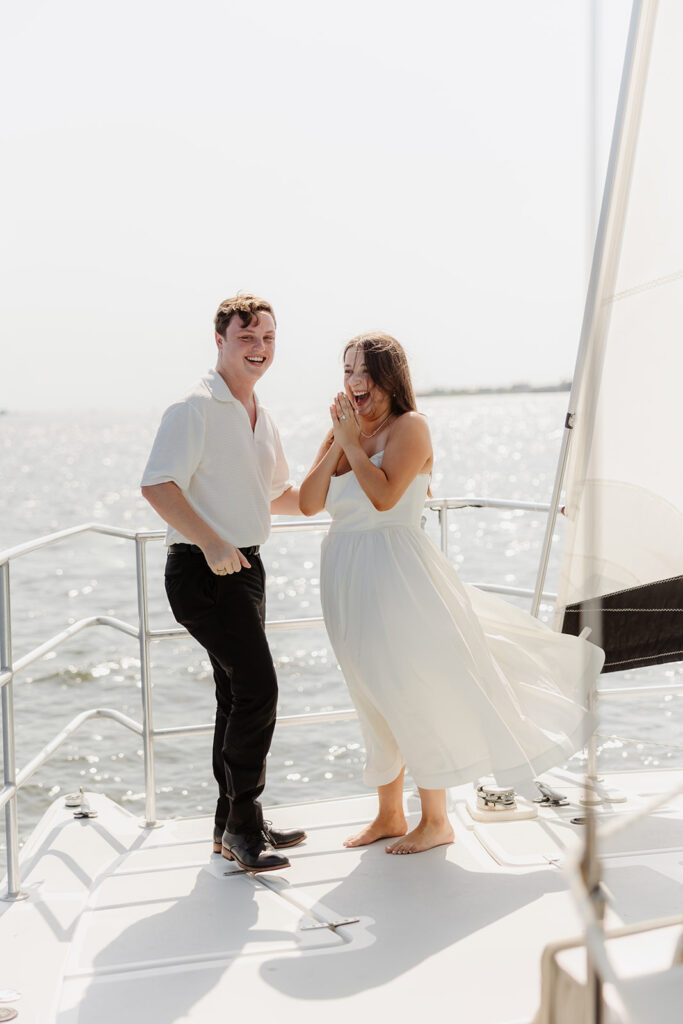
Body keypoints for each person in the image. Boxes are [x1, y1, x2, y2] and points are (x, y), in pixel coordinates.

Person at [300, 332, 604, 855]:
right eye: (347, 370)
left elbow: (384, 497)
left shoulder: (411, 427)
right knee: (370, 694)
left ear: (389, 377)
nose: (354, 381)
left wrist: (349, 443)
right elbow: (308, 503)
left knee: (411, 690)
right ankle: (389, 813)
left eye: (364, 371)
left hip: (398, 577)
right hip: (347, 579)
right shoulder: (344, 433)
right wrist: (336, 442)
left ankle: (435, 819)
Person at [141, 293, 305, 873]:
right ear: (220, 340)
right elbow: (158, 485)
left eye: (267, 338)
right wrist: (212, 542)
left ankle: (232, 823)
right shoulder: (193, 407)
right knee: (258, 689)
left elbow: (277, 495)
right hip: (202, 568)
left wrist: (342, 474)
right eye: (247, 337)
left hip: (247, 567)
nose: (259, 348)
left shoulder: (262, 414)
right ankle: (242, 825)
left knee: (235, 695)